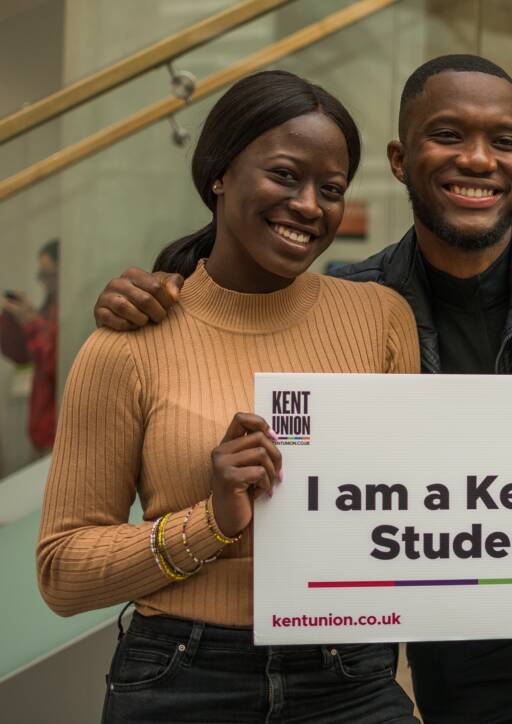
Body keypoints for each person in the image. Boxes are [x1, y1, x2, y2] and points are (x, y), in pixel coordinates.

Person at [91, 56, 512, 723]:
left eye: (502, 141)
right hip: (464, 631)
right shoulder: (354, 305)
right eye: (449, 135)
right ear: (398, 157)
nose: (479, 159)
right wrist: (158, 293)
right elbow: (246, 327)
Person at [37, 70, 421, 724]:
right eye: (284, 175)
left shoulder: (381, 318)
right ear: (218, 173)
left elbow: (414, 523)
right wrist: (210, 521)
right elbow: (62, 573)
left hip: (349, 678)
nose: (309, 205)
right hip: (183, 676)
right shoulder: (130, 342)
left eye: (331, 189)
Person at [0, 238, 59, 452]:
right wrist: (12, 321)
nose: (42, 281)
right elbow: (20, 356)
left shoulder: (69, 311)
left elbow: (57, 366)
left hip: (60, 433)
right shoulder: (48, 311)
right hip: (43, 434)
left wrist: (33, 324)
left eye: (47, 273)